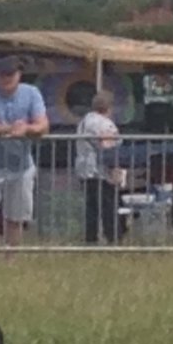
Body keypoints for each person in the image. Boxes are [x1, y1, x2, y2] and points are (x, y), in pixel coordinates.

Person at [0, 56, 49, 248]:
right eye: (2, 74)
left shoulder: (32, 93)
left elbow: (43, 125)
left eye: (11, 74)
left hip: (21, 166)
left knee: (16, 217)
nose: (7, 79)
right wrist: (9, 129)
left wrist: (26, 129)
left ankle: (11, 260)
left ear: (19, 74)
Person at [76, 91, 125, 244]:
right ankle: (113, 239)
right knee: (108, 207)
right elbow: (108, 146)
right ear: (109, 107)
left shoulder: (84, 121)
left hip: (85, 170)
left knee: (91, 208)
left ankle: (90, 239)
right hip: (100, 171)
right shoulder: (103, 123)